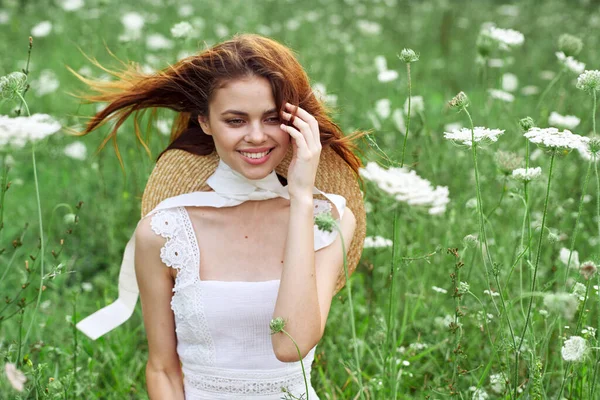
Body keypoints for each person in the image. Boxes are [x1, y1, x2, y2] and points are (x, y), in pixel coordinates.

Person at [71, 33, 368, 399]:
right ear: (206, 123)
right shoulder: (164, 232)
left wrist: (302, 196)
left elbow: (291, 345)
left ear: (295, 122)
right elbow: (163, 369)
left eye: (272, 118)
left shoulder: (329, 218)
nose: (256, 136)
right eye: (236, 120)